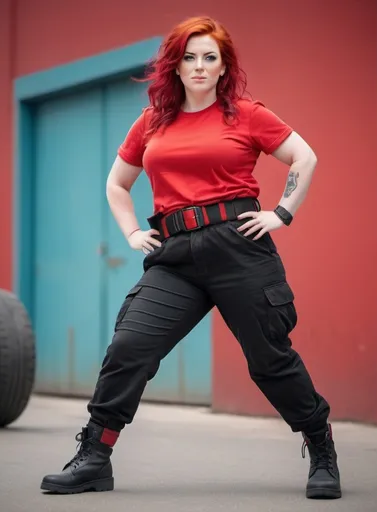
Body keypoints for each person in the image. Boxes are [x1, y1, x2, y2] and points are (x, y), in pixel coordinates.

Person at [40, 15, 341, 500]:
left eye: (209, 58)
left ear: (223, 68)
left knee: (269, 358)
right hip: (175, 254)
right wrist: (134, 230)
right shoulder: (152, 122)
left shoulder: (246, 114)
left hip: (238, 246)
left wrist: (282, 213)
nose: (199, 66)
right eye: (189, 57)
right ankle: (94, 456)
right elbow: (117, 184)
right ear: (175, 66)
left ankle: (321, 448)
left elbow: (304, 157)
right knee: (130, 347)